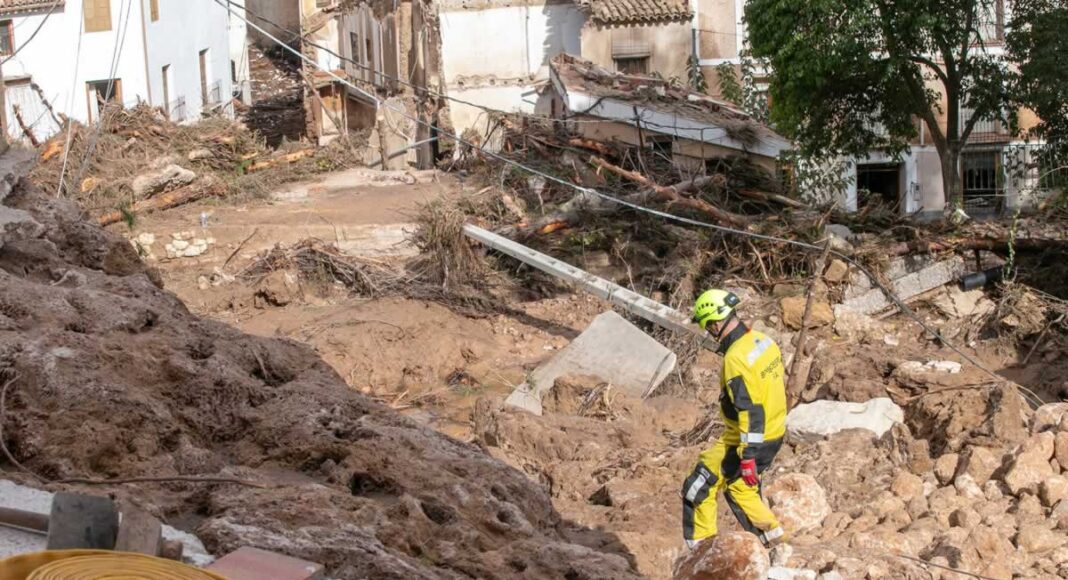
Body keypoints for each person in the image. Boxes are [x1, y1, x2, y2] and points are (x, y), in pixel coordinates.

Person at [681, 288, 788, 549]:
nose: (709, 332)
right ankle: (773, 545)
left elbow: (750, 410)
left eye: (708, 327)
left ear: (716, 323)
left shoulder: (735, 359)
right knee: (741, 490)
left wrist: (748, 455)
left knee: (699, 486)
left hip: (749, 439)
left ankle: (702, 552)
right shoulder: (763, 341)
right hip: (774, 432)